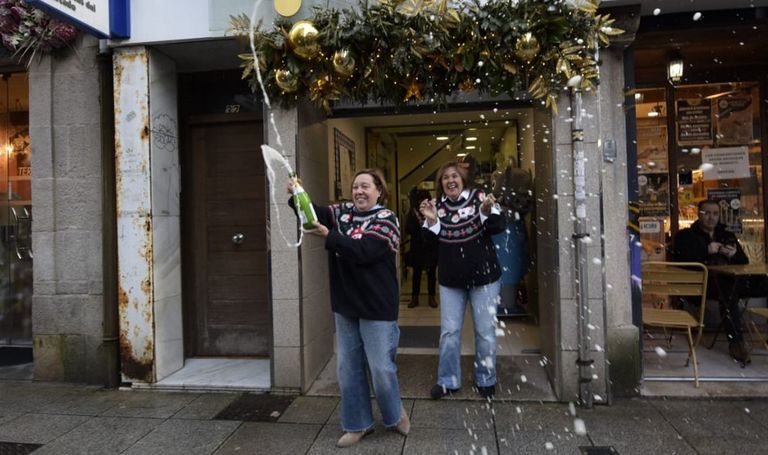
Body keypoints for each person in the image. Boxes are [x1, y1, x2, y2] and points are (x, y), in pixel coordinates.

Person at [287, 169, 408, 448]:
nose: (359, 191)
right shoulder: (342, 212)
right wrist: (296, 196)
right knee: (348, 368)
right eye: (355, 187)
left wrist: (330, 237)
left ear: (380, 191)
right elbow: (313, 215)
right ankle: (357, 424)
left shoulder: (387, 219)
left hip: (377, 306)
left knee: (381, 368)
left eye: (365, 186)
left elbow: (364, 251)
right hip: (345, 304)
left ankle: (394, 414)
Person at [419, 161, 505, 399]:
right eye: (445, 177)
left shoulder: (480, 197)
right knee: (449, 332)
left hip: (484, 278)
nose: (450, 180)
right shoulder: (438, 206)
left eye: (454, 176)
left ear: (463, 179)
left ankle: (486, 379)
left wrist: (488, 211)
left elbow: (498, 226)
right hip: (451, 280)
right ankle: (448, 381)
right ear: (441, 184)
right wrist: (431, 220)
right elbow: (428, 243)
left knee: (485, 332)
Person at [672, 199, 751, 363]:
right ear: (698, 214)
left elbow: (744, 261)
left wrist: (733, 254)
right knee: (728, 294)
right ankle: (736, 343)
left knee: (760, 285)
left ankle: (737, 339)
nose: (711, 217)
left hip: (730, 282)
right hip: (701, 286)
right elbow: (681, 262)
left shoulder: (726, 235)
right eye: (706, 213)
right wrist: (706, 251)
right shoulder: (686, 236)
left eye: (715, 213)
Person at [490, 157, 533, 316]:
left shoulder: (505, 214)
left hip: (508, 243)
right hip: (508, 243)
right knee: (509, 267)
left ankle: (506, 302)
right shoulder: (507, 215)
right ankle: (506, 302)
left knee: (510, 267)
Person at [406, 189, 438, 308]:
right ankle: (414, 298)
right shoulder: (413, 212)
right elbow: (408, 229)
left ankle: (432, 297)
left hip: (431, 248)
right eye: (420, 200)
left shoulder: (434, 211)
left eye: (424, 199)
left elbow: (437, 230)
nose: (422, 202)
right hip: (417, 248)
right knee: (416, 274)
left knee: (431, 275)